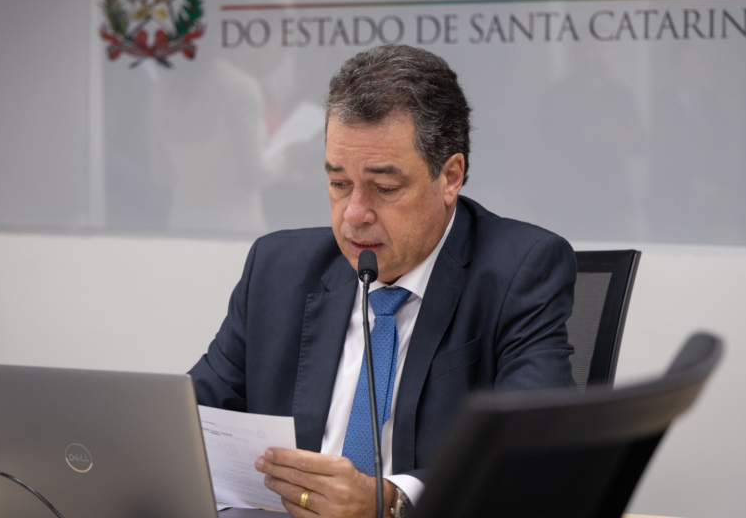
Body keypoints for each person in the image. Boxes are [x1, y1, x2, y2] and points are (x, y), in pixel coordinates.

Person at [189, 44, 576, 518]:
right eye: (339, 183)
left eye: (385, 188)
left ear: (450, 177)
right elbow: (188, 420)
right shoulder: (277, 269)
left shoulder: (520, 270)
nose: (354, 214)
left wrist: (390, 502)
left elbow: (532, 451)